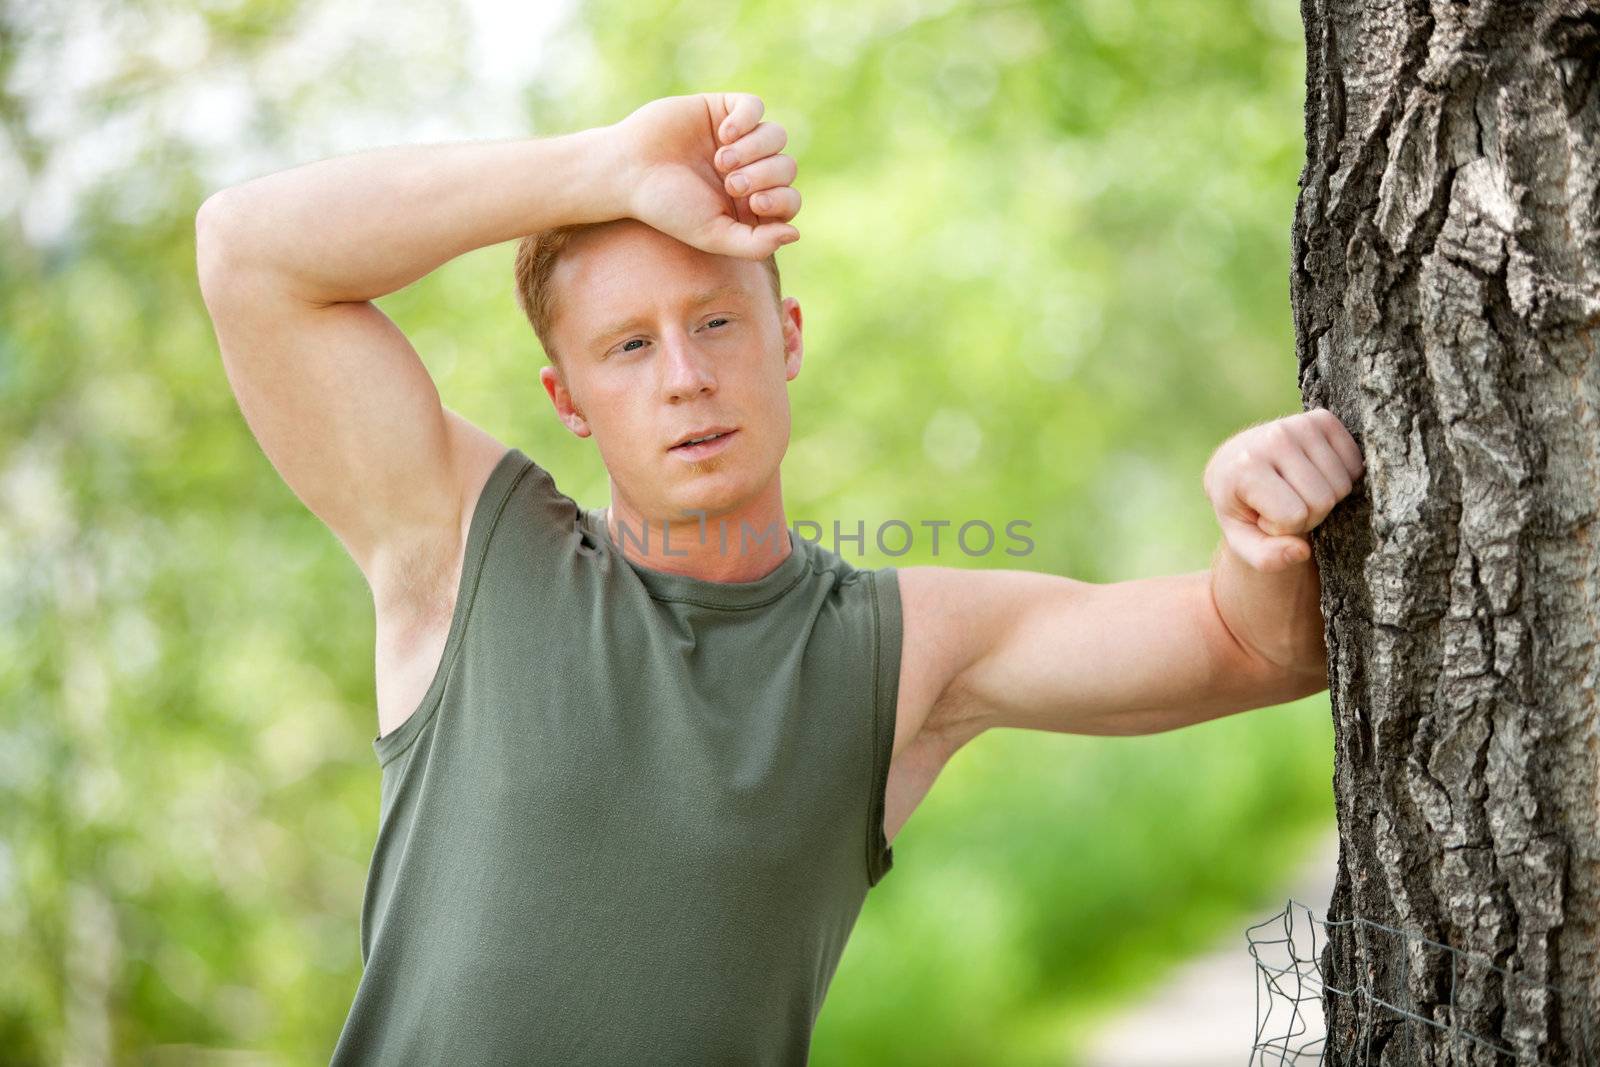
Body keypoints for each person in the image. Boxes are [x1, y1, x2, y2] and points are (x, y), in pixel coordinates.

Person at [194, 91, 1364, 1064]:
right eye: (629, 346)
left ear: (787, 338)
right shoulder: (465, 556)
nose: (685, 378)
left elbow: (1255, 643)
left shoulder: (896, 648)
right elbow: (250, 251)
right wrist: (602, 166)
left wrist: (1257, 526)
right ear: (570, 402)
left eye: (715, 323)